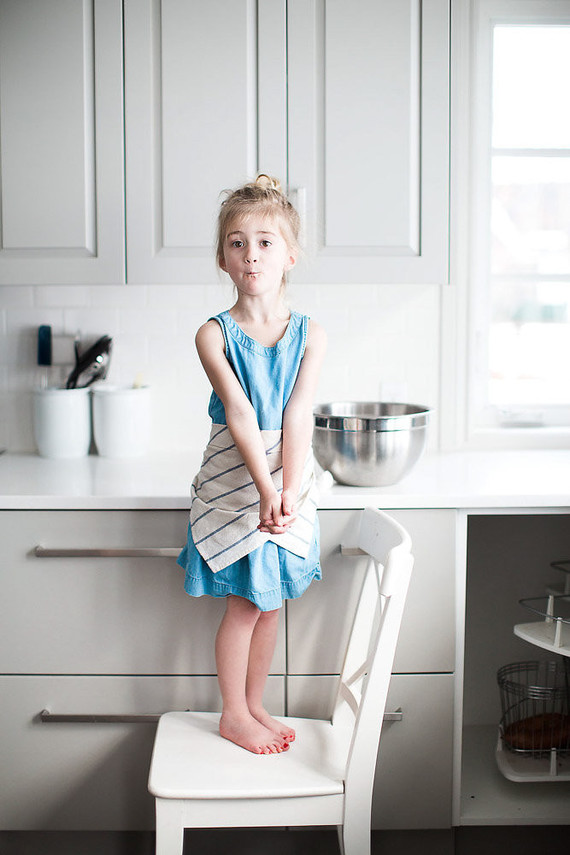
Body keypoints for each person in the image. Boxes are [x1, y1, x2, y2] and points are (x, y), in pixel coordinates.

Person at [177, 175, 327, 755]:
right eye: (237, 243)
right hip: (236, 483)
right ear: (222, 257)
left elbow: (297, 417)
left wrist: (288, 492)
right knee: (244, 605)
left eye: (265, 242)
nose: (251, 254)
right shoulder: (213, 334)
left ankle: (257, 701)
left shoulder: (310, 335)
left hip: (286, 479)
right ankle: (233, 712)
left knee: (271, 603)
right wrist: (265, 490)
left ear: (290, 255)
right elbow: (240, 414)